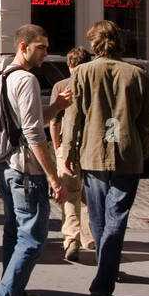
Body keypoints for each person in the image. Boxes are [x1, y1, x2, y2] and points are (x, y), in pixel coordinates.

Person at [62, 20, 149, 296]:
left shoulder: (83, 73)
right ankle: (106, 271)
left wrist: (68, 152)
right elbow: (146, 121)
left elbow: (73, 117)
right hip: (127, 152)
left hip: (94, 151)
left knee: (100, 216)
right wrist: (143, 150)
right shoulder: (138, 74)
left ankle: (105, 271)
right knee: (117, 217)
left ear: (93, 43)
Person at [0, 25, 70, 296]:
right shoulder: (27, 79)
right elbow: (34, 134)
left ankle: (13, 293)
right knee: (33, 238)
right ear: (24, 46)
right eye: (42, 47)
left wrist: (56, 107)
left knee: (14, 233)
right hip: (26, 170)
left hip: (6, 166)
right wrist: (53, 177)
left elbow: (23, 124)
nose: (46, 53)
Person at [50, 48, 95, 261]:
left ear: (69, 65)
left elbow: (53, 120)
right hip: (91, 146)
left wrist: (58, 147)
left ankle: (71, 239)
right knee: (89, 195)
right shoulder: (94, 86)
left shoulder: (61, 86)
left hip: (67, 148)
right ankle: (90, 237)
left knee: (70, 194)